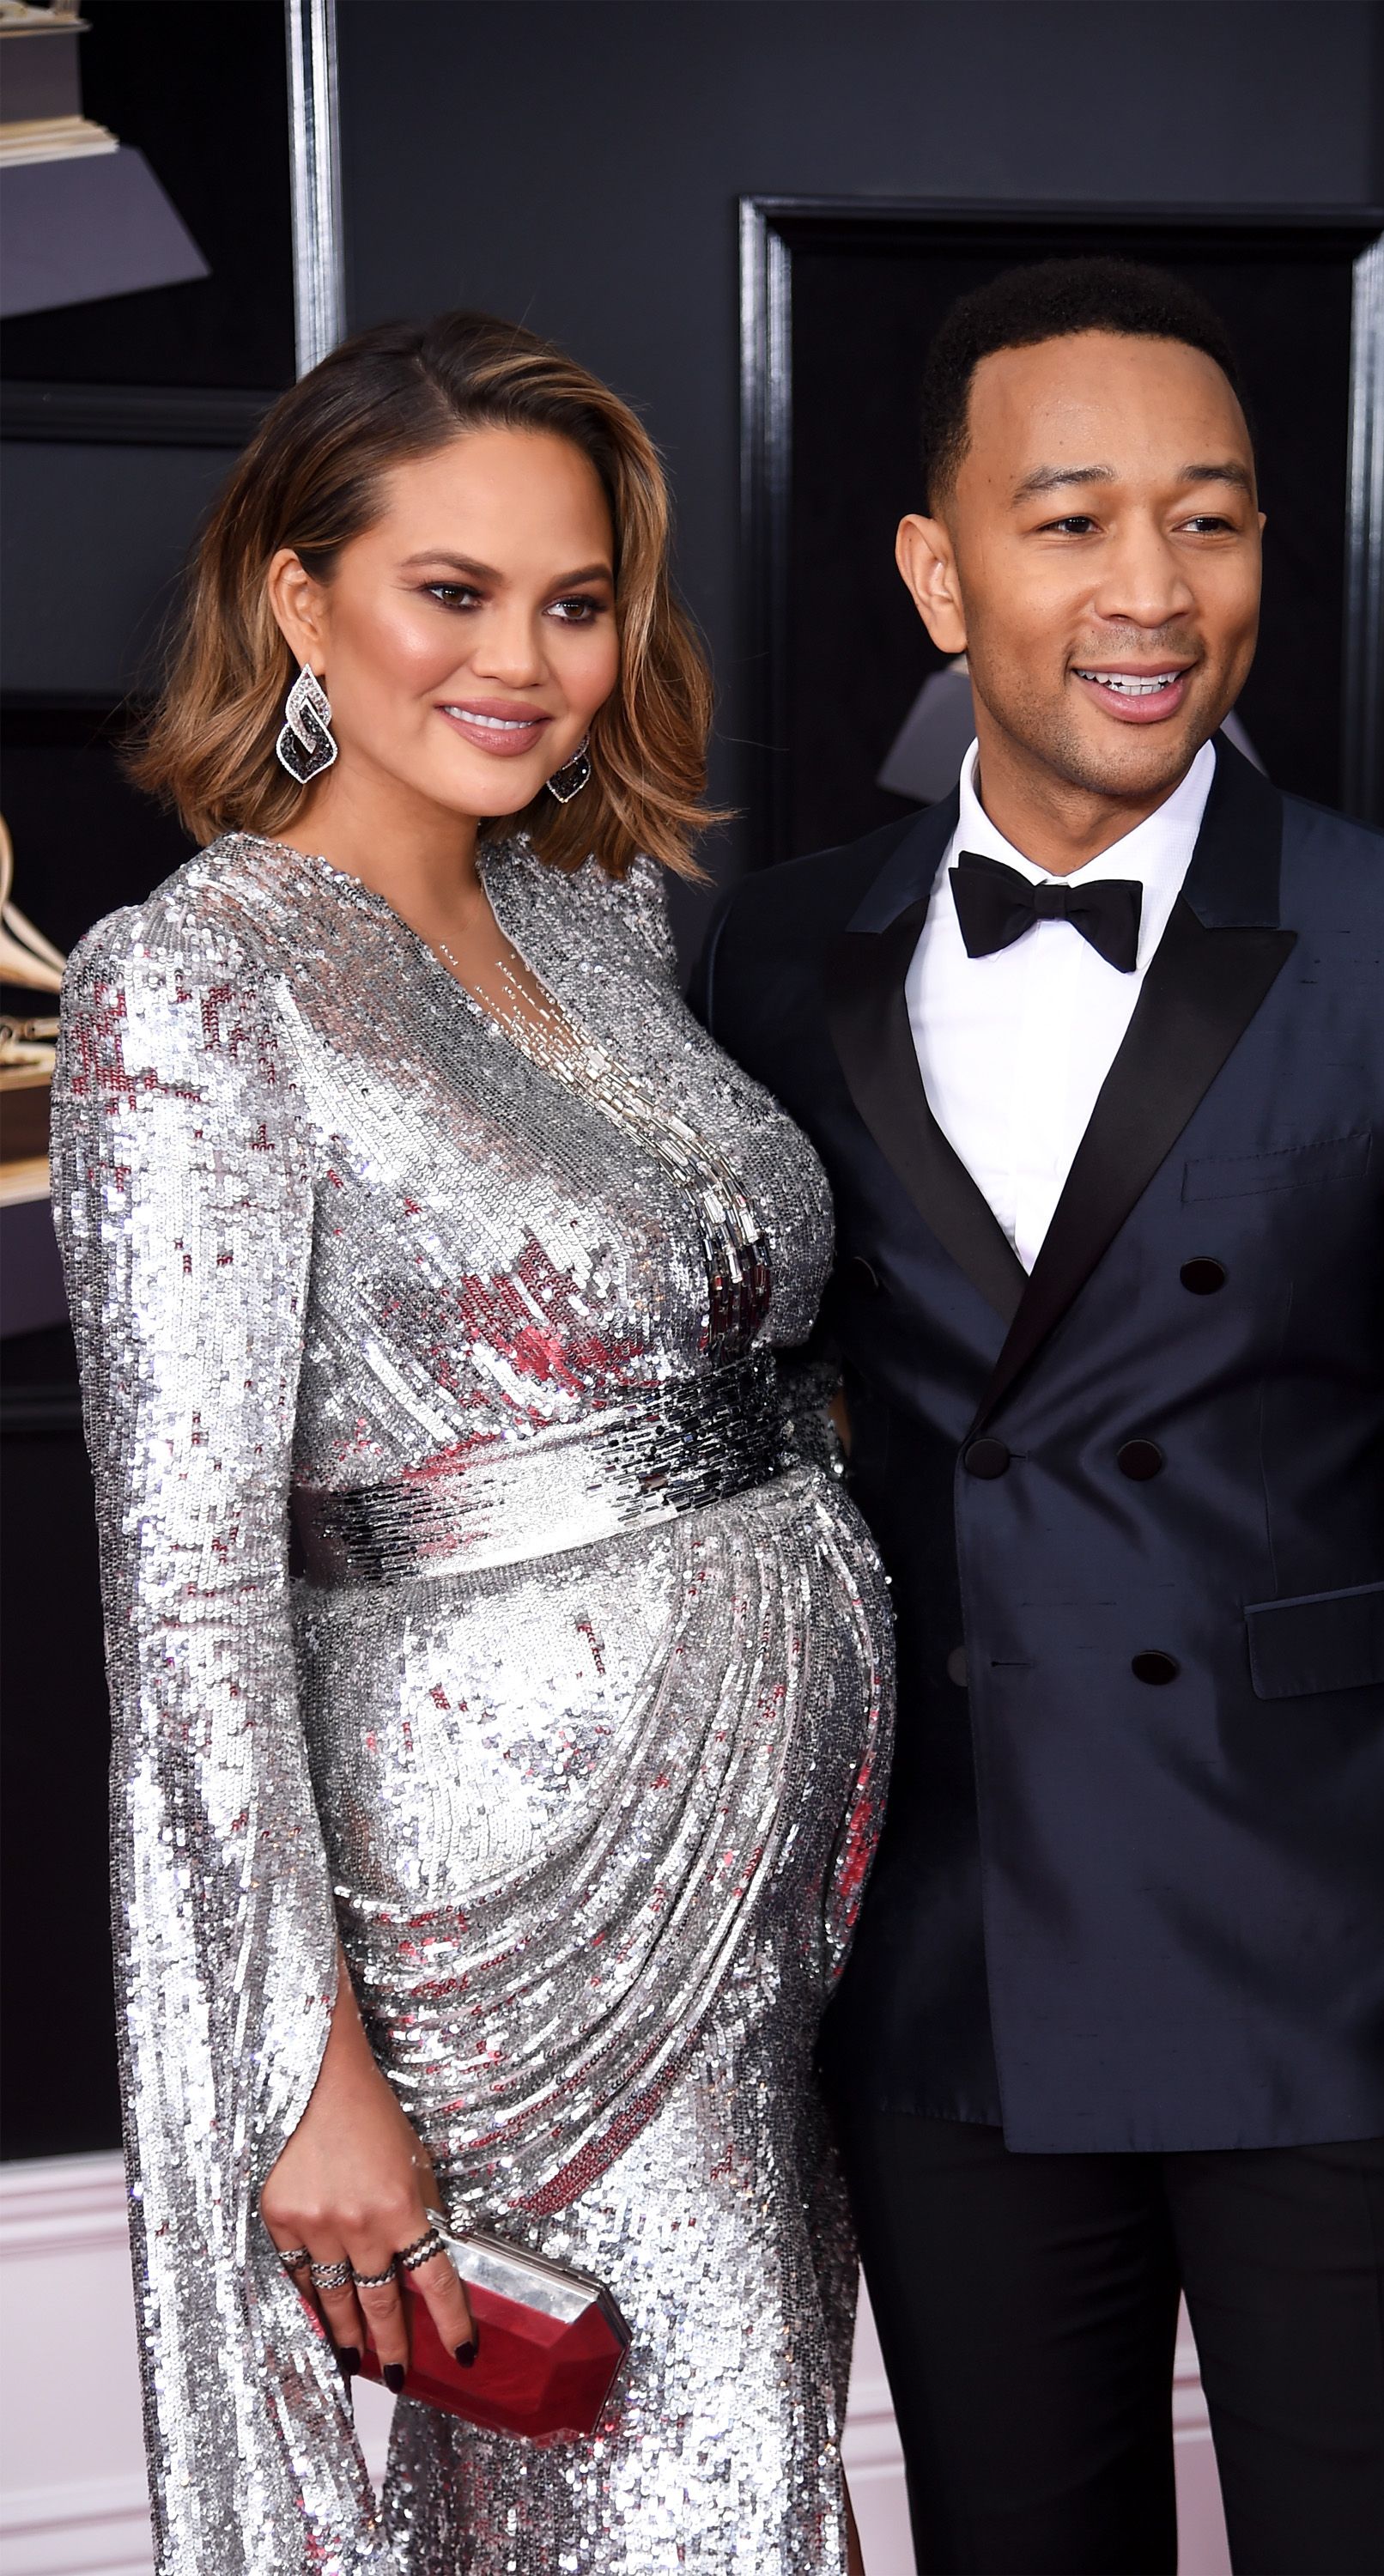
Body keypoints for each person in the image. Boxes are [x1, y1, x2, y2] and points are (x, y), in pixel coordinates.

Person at [692, 258, 1384, 2576]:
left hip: (1346, 1995)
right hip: (951, 1972)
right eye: (1071, 521)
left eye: (1209, 524)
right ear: (937, 569)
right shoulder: (770, 953)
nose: (1151, 593)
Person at [52, 312, 891, 2576]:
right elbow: (192, 1598)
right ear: (302, 601)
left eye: (576, 598)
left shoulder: (596, 919)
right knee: (651, 2485)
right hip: (471, 1945)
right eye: (453, 590)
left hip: (742, 1893)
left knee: (733, 2454)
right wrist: (305, 2071)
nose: (525, 659)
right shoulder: (202, 980)